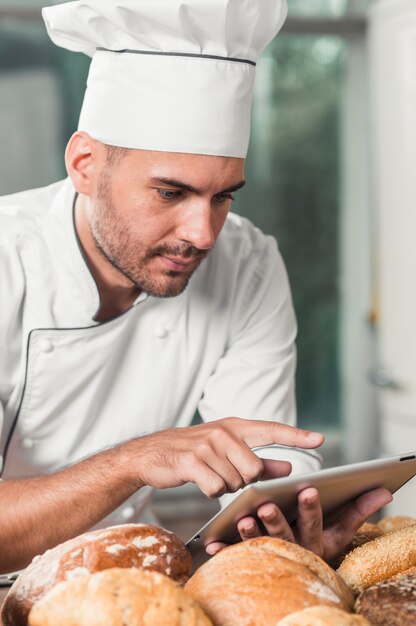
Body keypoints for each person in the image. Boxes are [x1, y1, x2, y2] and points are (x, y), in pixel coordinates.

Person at [0, 0, 391, 574]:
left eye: (224, 195)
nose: (203, 234)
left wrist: (286, 525)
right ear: (86, 164)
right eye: (170, 193)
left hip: (131, 577)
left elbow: (269, 463)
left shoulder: (250, 264)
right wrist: (137, 459)